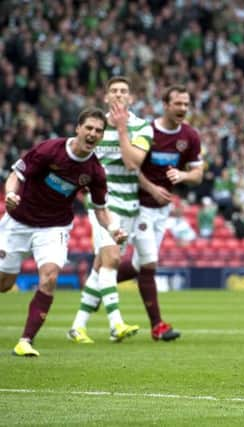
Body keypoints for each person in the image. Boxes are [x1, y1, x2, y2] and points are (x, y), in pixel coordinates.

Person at [0, 107, 127, 356]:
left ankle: (25, 341)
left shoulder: (94, 171)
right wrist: (12, 195)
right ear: (78, 128)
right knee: (4, 284)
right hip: (18, 221)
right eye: (88, 128)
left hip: (54, 226)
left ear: (102, 136)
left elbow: (101, 209)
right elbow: (17, 175)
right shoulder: (50, 150)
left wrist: (114, 229)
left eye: (98, 131)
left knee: (49, 277)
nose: (92, 133)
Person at [67, 76, 152, 344]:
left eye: (123, 91)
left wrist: (123, 129)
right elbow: (77, 160)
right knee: (112, 258)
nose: (118, 95)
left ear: (131, 98)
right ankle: (116, 324)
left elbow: (132, 162)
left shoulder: (142, 128)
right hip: (103, 203)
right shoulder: (94, 129)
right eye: (113, 91)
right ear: (106, 97)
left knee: (102, 263)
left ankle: (78, 326)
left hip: (130, 204)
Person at [116, 84, 203, 341]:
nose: (183, 109)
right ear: (165, 105)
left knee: (136, 265)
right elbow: (132, 166)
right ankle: (157, 325)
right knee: (149, 265)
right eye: (178, 104)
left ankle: (99, 284)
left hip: (162, 211)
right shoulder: (147, 131)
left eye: (186, 104)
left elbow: (198, 174)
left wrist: (183, 174)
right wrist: (152, 188)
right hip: (139, 206)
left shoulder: (190, 136)